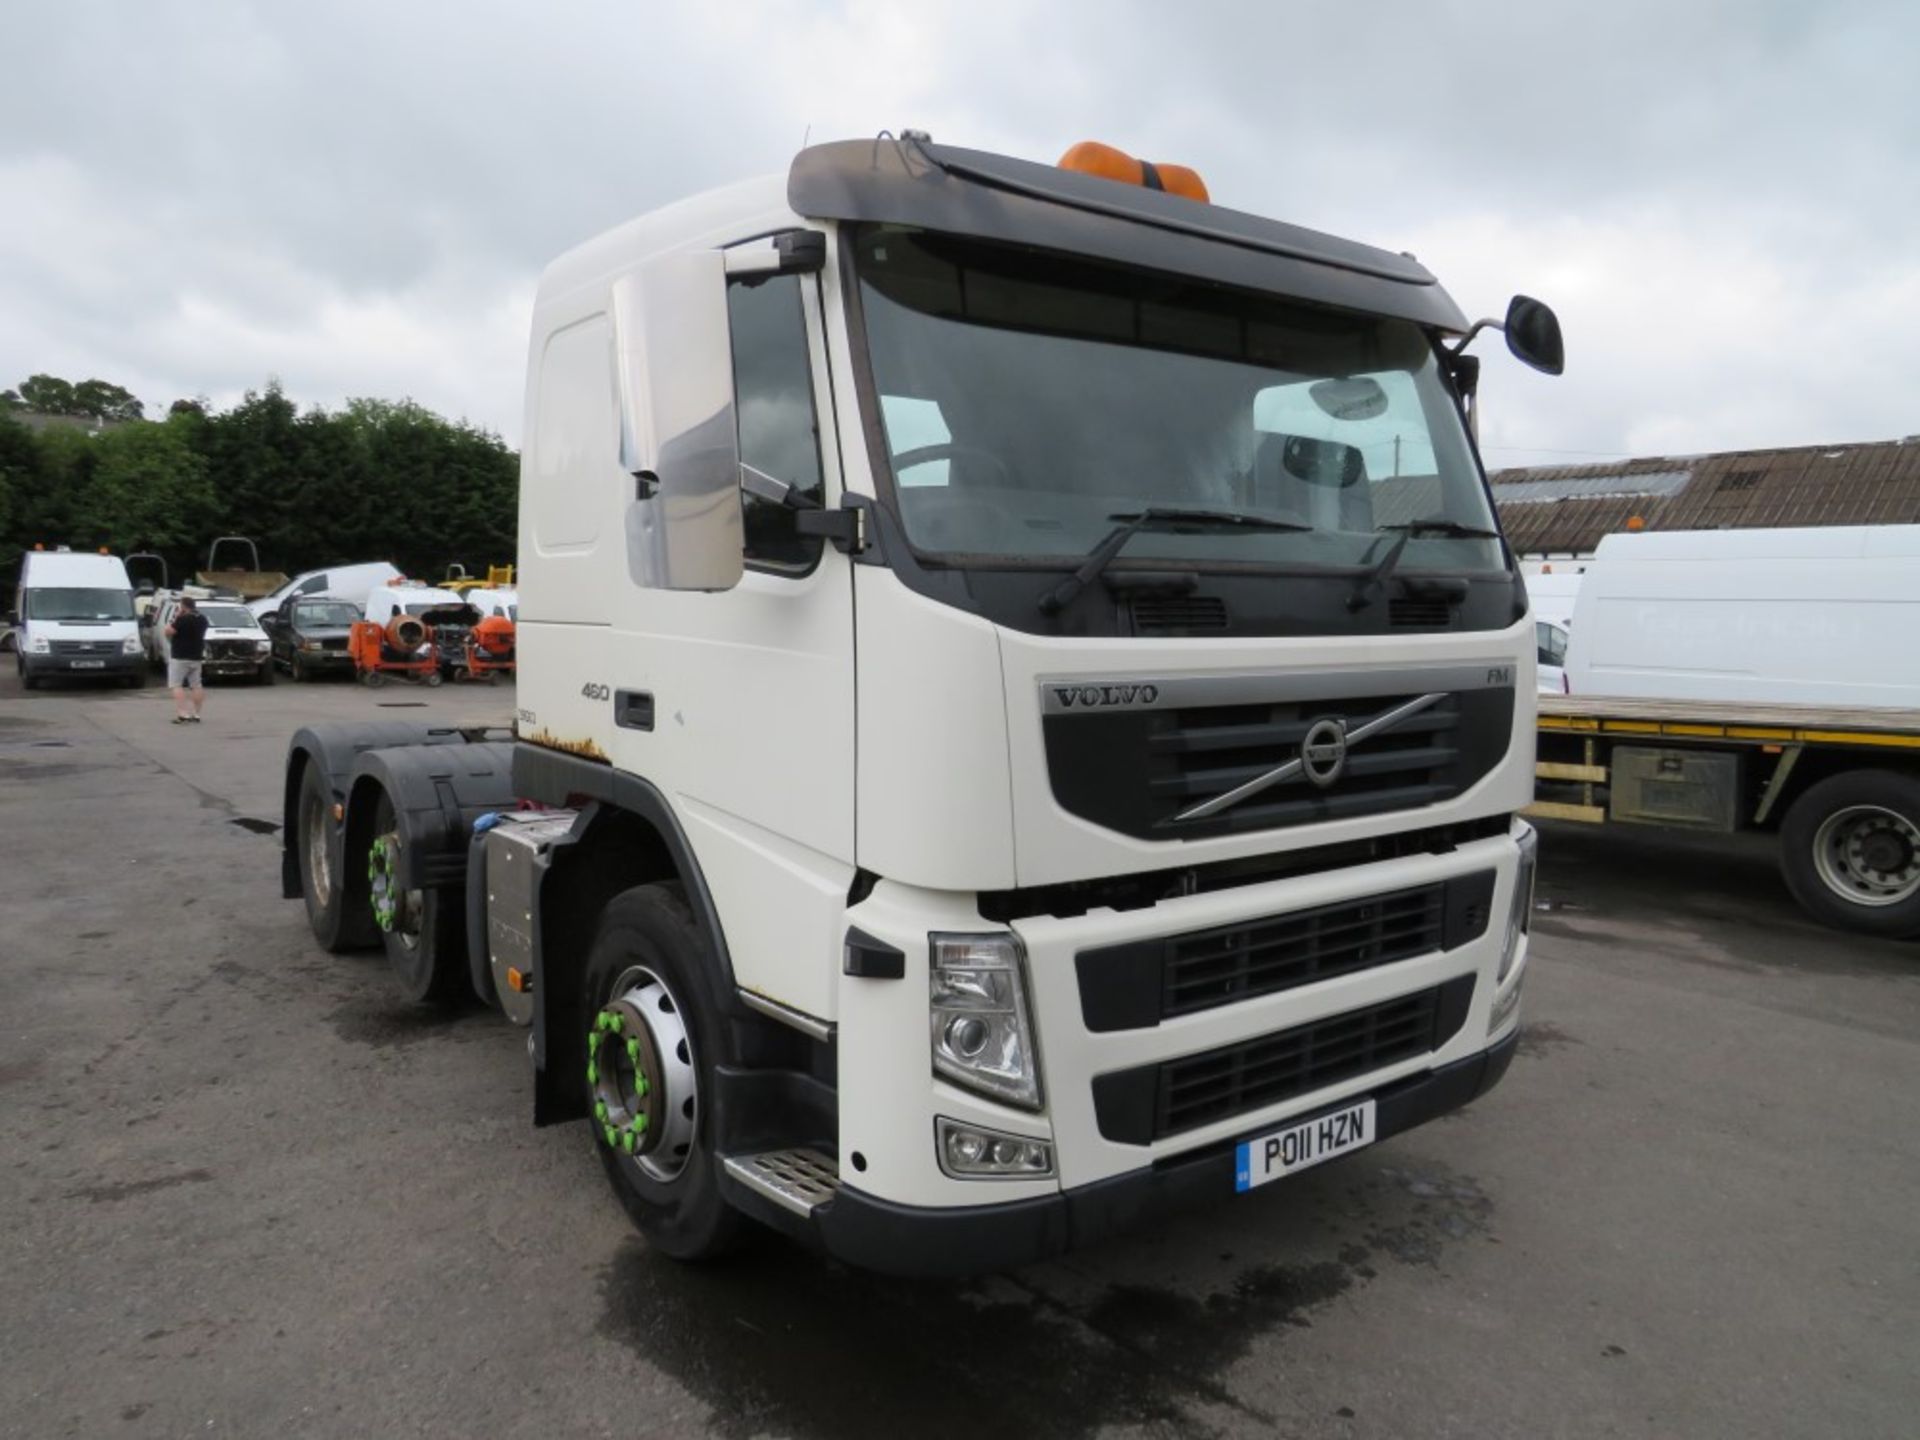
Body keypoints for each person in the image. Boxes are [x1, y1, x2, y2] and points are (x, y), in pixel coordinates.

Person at [165, 595, 210, 723]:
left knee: (176, 685)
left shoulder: (182, 619)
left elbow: (168, 632)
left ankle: (182, 713)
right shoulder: (203, 619)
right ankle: (196, 713)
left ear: (183, 606)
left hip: (180, 656)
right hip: (196, 655)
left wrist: (176, 617)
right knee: (196, 685)